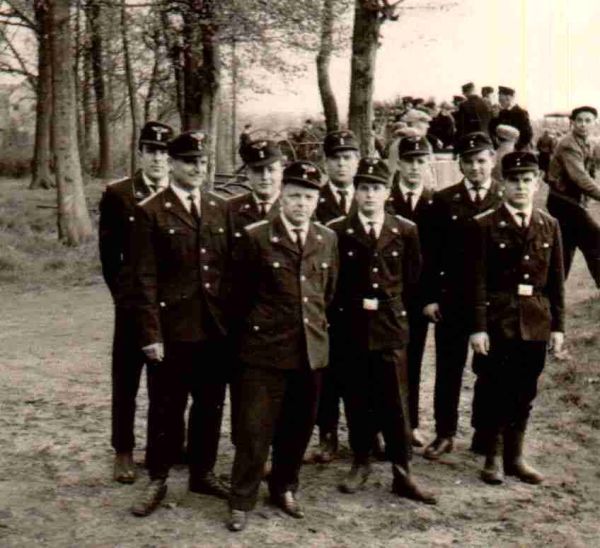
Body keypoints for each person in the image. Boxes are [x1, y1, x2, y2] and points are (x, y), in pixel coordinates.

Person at [227, 161, 338, 532]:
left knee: (298, 426)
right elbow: (238, 298)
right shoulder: (256, 237)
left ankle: (284, 487)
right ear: (281, 198)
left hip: (311, 350)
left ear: (317, 200)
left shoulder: (327, 239)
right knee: (255, 428)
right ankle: (241, 498)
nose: (301, 204)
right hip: (265, 350)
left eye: (308, 197)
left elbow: (327, 294)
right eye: (293, 196)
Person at [130, 131, 232, 517]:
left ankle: (202, 473)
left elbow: (228, 271)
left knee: (210, 405)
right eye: (189, 161)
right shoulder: (151, 210)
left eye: (202, 162)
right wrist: (151, 334)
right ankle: (157, 478)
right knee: (166, 407)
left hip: (214, 330)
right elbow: (143, 279)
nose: (197, 168)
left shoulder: (219, 207)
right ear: (172, 164)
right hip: (173, 331)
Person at [328, 157, 436, 505]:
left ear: (386, 192)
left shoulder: (404, 230)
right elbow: (333, 282)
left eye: (376, 188)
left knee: (396, 401)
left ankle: (402, 471)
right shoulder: (337, 230)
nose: (369, 195)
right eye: (363, 188)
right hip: (351, 326)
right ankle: (361, 462)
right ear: (355, 193)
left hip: (390, 326)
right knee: (357, 397)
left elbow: (414, 277)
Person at [468, 151, 565, 485]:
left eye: (528, 180)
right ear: (503, 184)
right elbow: (477, 281)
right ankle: (492, 458)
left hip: (536, 320)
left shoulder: (548, 224)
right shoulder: (485, 224)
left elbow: (556, 281)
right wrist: (478, 327)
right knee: (496, 386)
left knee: (525, 389)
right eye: (514, 180)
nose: (521, 187)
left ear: (537, 182)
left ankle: (516, 457)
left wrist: (558, 327)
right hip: (499, 320)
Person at [98, 121, 175, 484]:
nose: (158, 158)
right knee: (126, 380)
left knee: (167, 383)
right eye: (152, 151)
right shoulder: (120, 194)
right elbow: (110, 258)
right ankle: (124, 450)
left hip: (172, 308)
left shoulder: (179, 193)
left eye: (164, 152)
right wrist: (127, 302)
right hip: (132, 306)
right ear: (140, 154)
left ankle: (162, 448)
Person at [421, 132, 504, 460]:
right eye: (468, 161)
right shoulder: (443, 201)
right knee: (449, 368)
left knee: (490, 369)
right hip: (452, 297)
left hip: (493, 302)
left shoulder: (503, 197)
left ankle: (484, 433)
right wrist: (429, 297)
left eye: (481, 160)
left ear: (492, 161)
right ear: (459, 164)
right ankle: (445, 432)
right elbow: (430, 255)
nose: (475, 167)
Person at [227, 139, 283, 445]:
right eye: (257, 170)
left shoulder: (297, 207)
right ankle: (247, 450)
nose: (265, 177)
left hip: (284, 318)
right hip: (245, 319)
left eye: (271, 169)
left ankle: (278, 450)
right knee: (244, 389)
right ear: (247, 174)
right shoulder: (230, 211)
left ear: (281, 170)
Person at [310, 130, 359, 463]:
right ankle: (327, 434)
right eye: (335, 158)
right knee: (325, 373)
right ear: (325, 163)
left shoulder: (371, 194)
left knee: (359, 372)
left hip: (360, 301)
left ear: (356, 161)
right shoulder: (315, 199)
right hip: (325, 299)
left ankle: (361, 436)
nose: (341, 164)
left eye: (347, 157)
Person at [387, 136, 436, 448]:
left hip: (418, 297)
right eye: (409, 161)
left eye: (421, 161)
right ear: (400, 164)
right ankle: (382, 427)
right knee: (383, 362)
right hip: (387, 296)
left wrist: (431, 296)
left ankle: (411, 424)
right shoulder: (385, 199)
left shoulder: (435, 202)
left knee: (414, 360)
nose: (415, 168)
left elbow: (439, 255)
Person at [546, 106, 600, 288]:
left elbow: (591, 171)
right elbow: (580, 178)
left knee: (565, 248)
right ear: (573, 123)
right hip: (562, 201)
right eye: (579, 120)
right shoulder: (569, 144)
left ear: (594, 123)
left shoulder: (587, 143)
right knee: (595, 238)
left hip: (571, 202)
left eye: (588, 120)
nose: (583, 124)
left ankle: (552, 291)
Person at [489, 86, 533, 151]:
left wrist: (516, 148)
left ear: (508, 98)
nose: (499, 101)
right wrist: (494, 118)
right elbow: (492, 130)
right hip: (502, 149)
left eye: (501, 99)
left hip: (516, 151)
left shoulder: (521, 113)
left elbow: (527, 135)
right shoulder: (501, 113)